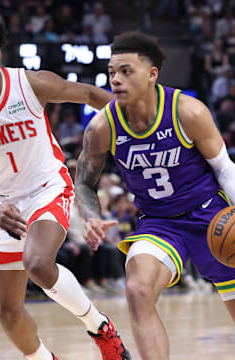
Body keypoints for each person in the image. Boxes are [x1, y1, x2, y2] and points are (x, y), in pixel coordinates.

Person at [0, 10, 130, 360]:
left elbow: (87, 93)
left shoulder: (28, 83)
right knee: (8, 314)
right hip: (3, 206)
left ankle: (101, 328)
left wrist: (137, 116)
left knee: (38, 264)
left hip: (48, 188)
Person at [74, 31, 235, 360]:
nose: (115, 80)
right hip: (159, 224)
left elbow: (225, 170)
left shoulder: (187, 111)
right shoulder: (103, 126)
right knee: (137, 290)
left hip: (211, 218)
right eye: (111, 73)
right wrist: (91, 216)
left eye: (126, 71)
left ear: (152, 74)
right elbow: (84, 182)